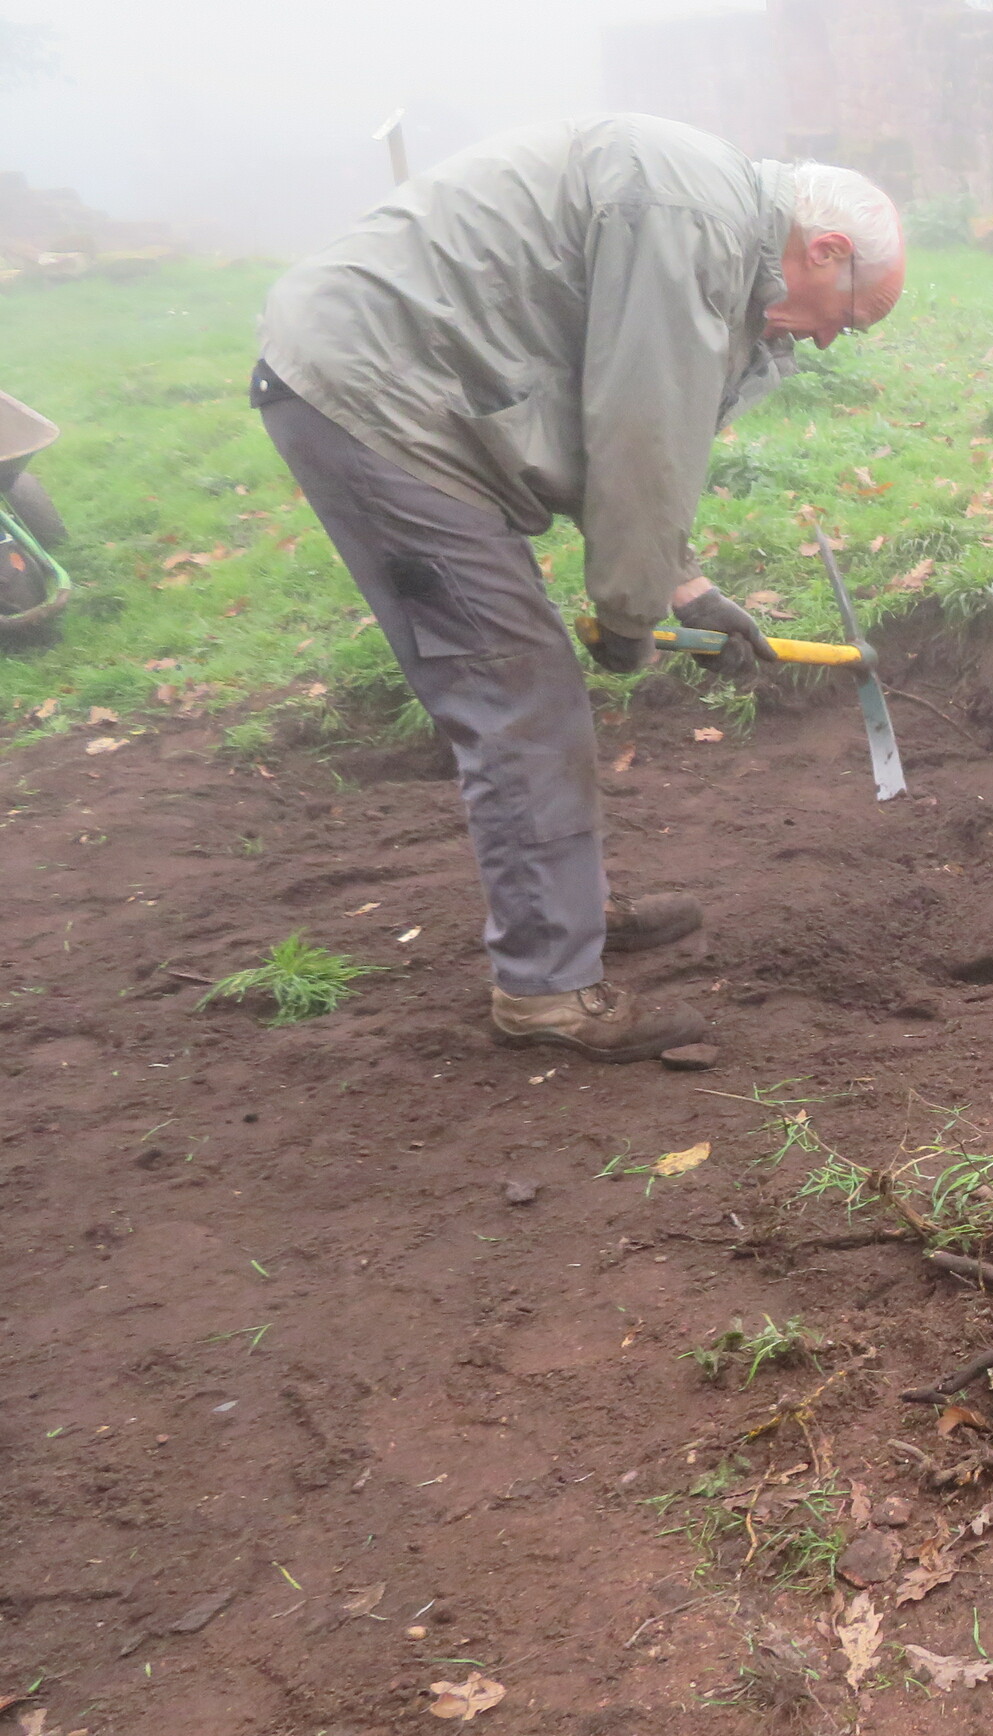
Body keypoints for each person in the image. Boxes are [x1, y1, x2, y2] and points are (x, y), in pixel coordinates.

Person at [251, 115, 904, 1061]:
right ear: (826, 250)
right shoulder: (694, 223)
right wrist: (631, 612)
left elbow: (627, 418)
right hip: (382, 401)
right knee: (518, 692)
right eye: (850, 316)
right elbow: (639, 431)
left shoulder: (711, 221)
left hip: (415, 391)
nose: (834, 342)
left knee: (525, 682)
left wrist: (683, 587)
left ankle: (568, 911)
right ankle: (549, 987)